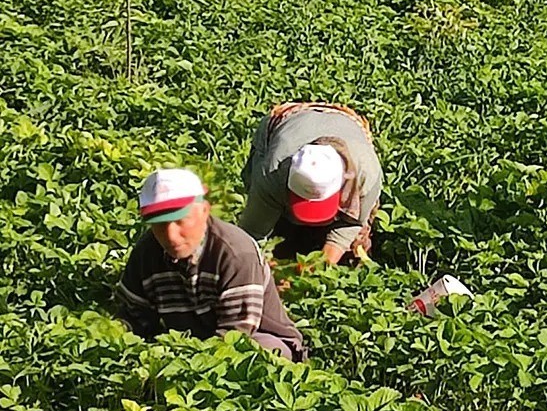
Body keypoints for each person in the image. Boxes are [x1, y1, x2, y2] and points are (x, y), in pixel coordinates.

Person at [116, 168, 309, 361]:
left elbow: (235, 334)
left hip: (260, 339)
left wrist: (178, 363)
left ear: (204, 210)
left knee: (255, 354)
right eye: (159, 224)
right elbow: (133, 316)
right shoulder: (146, 252)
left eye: (180, 220)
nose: (171, 236)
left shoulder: (236, 253)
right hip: (192, 346)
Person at [239, 102, 383, 265]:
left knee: (355, 248)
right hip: (288, 121)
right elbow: (251, 235)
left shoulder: (366, 175)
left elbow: (351, 224)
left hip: (346, 123)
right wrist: (273, 272)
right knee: (275, 233)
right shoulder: (273, 171)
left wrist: (321, 266)